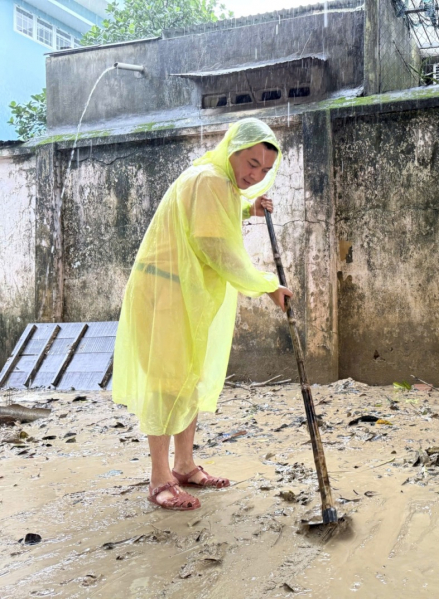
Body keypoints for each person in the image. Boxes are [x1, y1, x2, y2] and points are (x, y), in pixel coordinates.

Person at [112, 118, 293, 510]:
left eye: (264, 170)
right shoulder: (210, 178)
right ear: (232, 150)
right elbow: (216, 248)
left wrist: (248, 208)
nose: (255, 174)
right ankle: (159, 478)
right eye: (251, 163)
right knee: (165, 381)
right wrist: (267, 286)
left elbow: (214, 215)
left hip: (181, 292)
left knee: (186, 378)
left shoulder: (220, 181)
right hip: (163, 291)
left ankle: (184, 465)